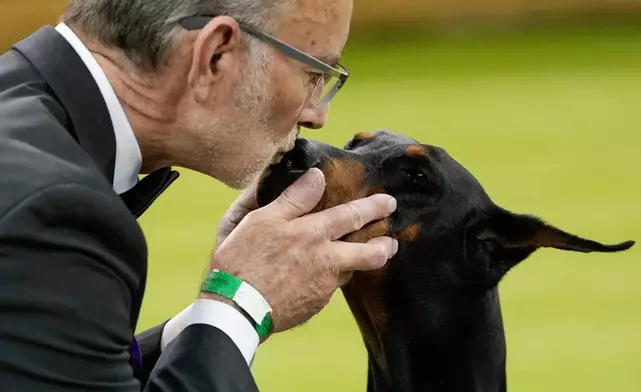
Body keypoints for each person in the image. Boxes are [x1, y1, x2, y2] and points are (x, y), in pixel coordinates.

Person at [0, 0, 399, 390]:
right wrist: (242, 304)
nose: (318, 114)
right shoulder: (53, 211)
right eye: (314, 73)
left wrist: (212, 316)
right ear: (215, 55)